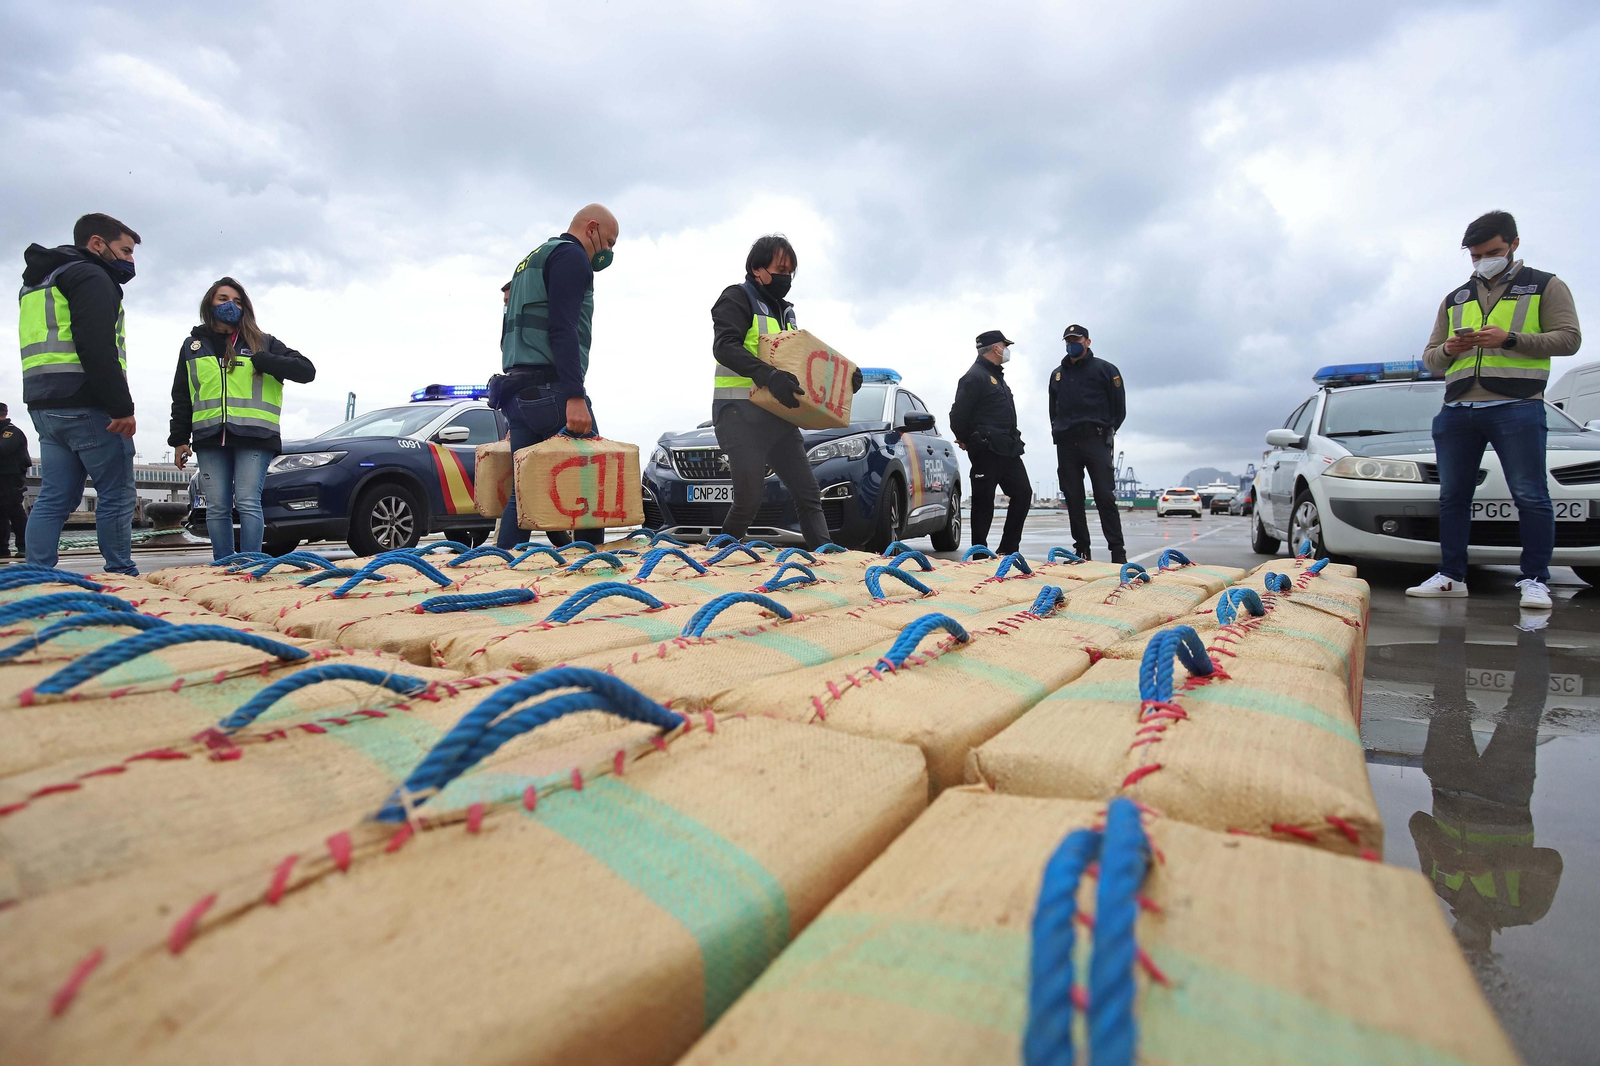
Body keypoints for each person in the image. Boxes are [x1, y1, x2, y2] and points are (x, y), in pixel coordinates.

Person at [1408, 210, 1583, 608]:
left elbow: (1569, 339)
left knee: (1530, 494)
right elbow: (1430, 359)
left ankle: (1535, 580)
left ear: (1513, 245)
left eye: (1492, 251)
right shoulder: (1456, 298)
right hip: (1457, 408)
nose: (1483, 259)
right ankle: (1452, 575)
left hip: (1517, 406)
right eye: (1475, 255)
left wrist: (1510, 339)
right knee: (1453, 496)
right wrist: (1448, 350)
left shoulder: (1545, 286)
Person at [710, 234, 860, 548]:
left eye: (790, 271)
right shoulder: (737, 298)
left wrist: (844, 377)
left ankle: (827, 563)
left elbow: (804, 360)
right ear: (757, 269)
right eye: (780, 269)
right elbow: (724, 347)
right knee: (748, 502)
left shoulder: (786, 313)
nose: (786, 278)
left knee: (808, 496)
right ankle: (716, 558)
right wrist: (769, 376)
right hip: (741, 417)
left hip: (779, 418)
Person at [17, 213, 141, 575]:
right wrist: (121, 407)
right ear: (97, 244)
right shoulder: (90, 275)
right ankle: (122, 574)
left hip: (43, 402)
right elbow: (96, 346)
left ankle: (38, 574)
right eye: (125, 250)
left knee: (54, 497)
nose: (130, 260)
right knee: (116, 495)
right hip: (87, 401)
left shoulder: (38, 282)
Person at [493, 204, 619, 550]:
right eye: (608, 241)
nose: (607, 252)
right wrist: (575, 396)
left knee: (524, 492)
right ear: (590, 227)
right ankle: (591, 573)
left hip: (518, 390)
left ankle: (502, 572)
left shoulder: (529, 262)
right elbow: (562, 327)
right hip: (554, 390)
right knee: (590, 488)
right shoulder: (571, 257)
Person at [168, 278, 315, 559]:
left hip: (255, 436)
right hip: (209, 435)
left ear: (245, 307)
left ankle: (251, 563)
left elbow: (306, 370)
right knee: (217, 506)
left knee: (248, 501)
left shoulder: (264, 342)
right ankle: (223, 564)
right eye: (222, 299)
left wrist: (267, 360)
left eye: (236, 301)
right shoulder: (193, 346)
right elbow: (182, 395)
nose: (230, 305)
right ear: (209, 303)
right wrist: (178, 439)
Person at [1048, 323, 1126, 563]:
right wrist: (1058, 431)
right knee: (1073, 497)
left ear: (1087, 342)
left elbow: (1119, 408)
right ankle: (1082, 550)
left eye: (1077, 339)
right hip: (1066, 443)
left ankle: (1117, 552)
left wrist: (1106, 432)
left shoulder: (1106, 370)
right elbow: (1053, 409)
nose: (1072, 344)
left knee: (1104, 496)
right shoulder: (1057, 374)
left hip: (1096, 440)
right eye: (1068, 340)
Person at [951, 330, 1030, 556]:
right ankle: (979, 553)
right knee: (983, 503)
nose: (1007, 350)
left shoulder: (998, 377)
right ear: (996, 348)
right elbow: (957, 415)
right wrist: (968, 440)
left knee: (1023, 493)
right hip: (986, 450)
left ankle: (1008, 549)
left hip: (1009, 449)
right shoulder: (974, 376)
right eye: (1005, 346)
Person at [0, 403, 31, 558]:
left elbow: (3, 449)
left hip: (10, 477)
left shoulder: (11, 432)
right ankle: (2, 549)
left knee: (14, 510)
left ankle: (24, 546)